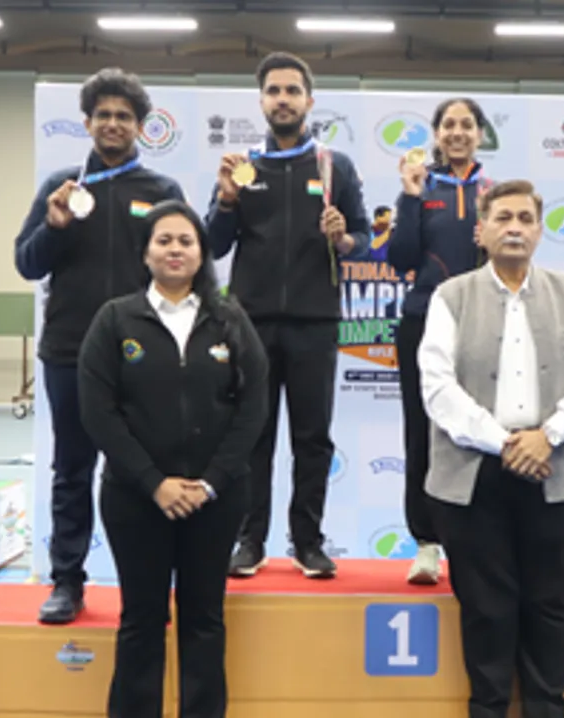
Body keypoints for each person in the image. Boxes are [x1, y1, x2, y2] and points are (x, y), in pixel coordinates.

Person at [420, 180, 564, 718]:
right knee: (487, 611)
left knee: (550, 606)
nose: (515, 228)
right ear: (480, 230)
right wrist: (504, 443)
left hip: (553, 467)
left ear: (540, 231)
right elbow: (437, 387)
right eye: (503, 218)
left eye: (526, 219)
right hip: (474, 474)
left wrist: (547, 435)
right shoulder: (450, 296)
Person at [77, 200, 269, 718]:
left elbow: (254, 408)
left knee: (204, 621)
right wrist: (153, 482)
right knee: (141, 620)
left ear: (202, 252)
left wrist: (210, 483)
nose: (175, 250)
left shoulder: (229, 319)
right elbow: (98, 412)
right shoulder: (115, 320)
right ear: (146, 253)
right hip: (135, 498)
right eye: (163, 240)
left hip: (216, 500)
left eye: (186, 240)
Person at [14, 67, 186, 624]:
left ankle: (148, 585)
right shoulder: (63, 187)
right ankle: (67, 581)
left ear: (140, 126)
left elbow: (184, 269)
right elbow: (26, 263)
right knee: (72, 470)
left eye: (124, 116)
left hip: (144, 355)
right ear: (87, 123)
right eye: (104, 115)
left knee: (146, 472)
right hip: (69, 351)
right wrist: (55, 225)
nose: (113, 124)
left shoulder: (162, 193)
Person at [206, 51, 371, 579]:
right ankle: (249, 541)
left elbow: (363, 240)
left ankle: (308, 542)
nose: (283, 99)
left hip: (315, 322)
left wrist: (343, 238)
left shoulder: (333, 166)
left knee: (312, 439)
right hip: (250, 325)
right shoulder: (242, 167)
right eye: (274, 91)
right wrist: (226, 201)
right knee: (252, 437)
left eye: (292, 91)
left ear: (309, 101)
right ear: (261, 101)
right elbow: (213, 244)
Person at [387, 97, 491, 585]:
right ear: (436, 134)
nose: (457, 132)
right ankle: (426, 543)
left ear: (480, 134)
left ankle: (473, 540)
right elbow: (400, 259)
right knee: (422, 432)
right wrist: (410, 198)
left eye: (466, 124)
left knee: (480, 430)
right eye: (448, 124)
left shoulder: (494, 192)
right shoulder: (420, 186)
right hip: (423, 322)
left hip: (483, 324)